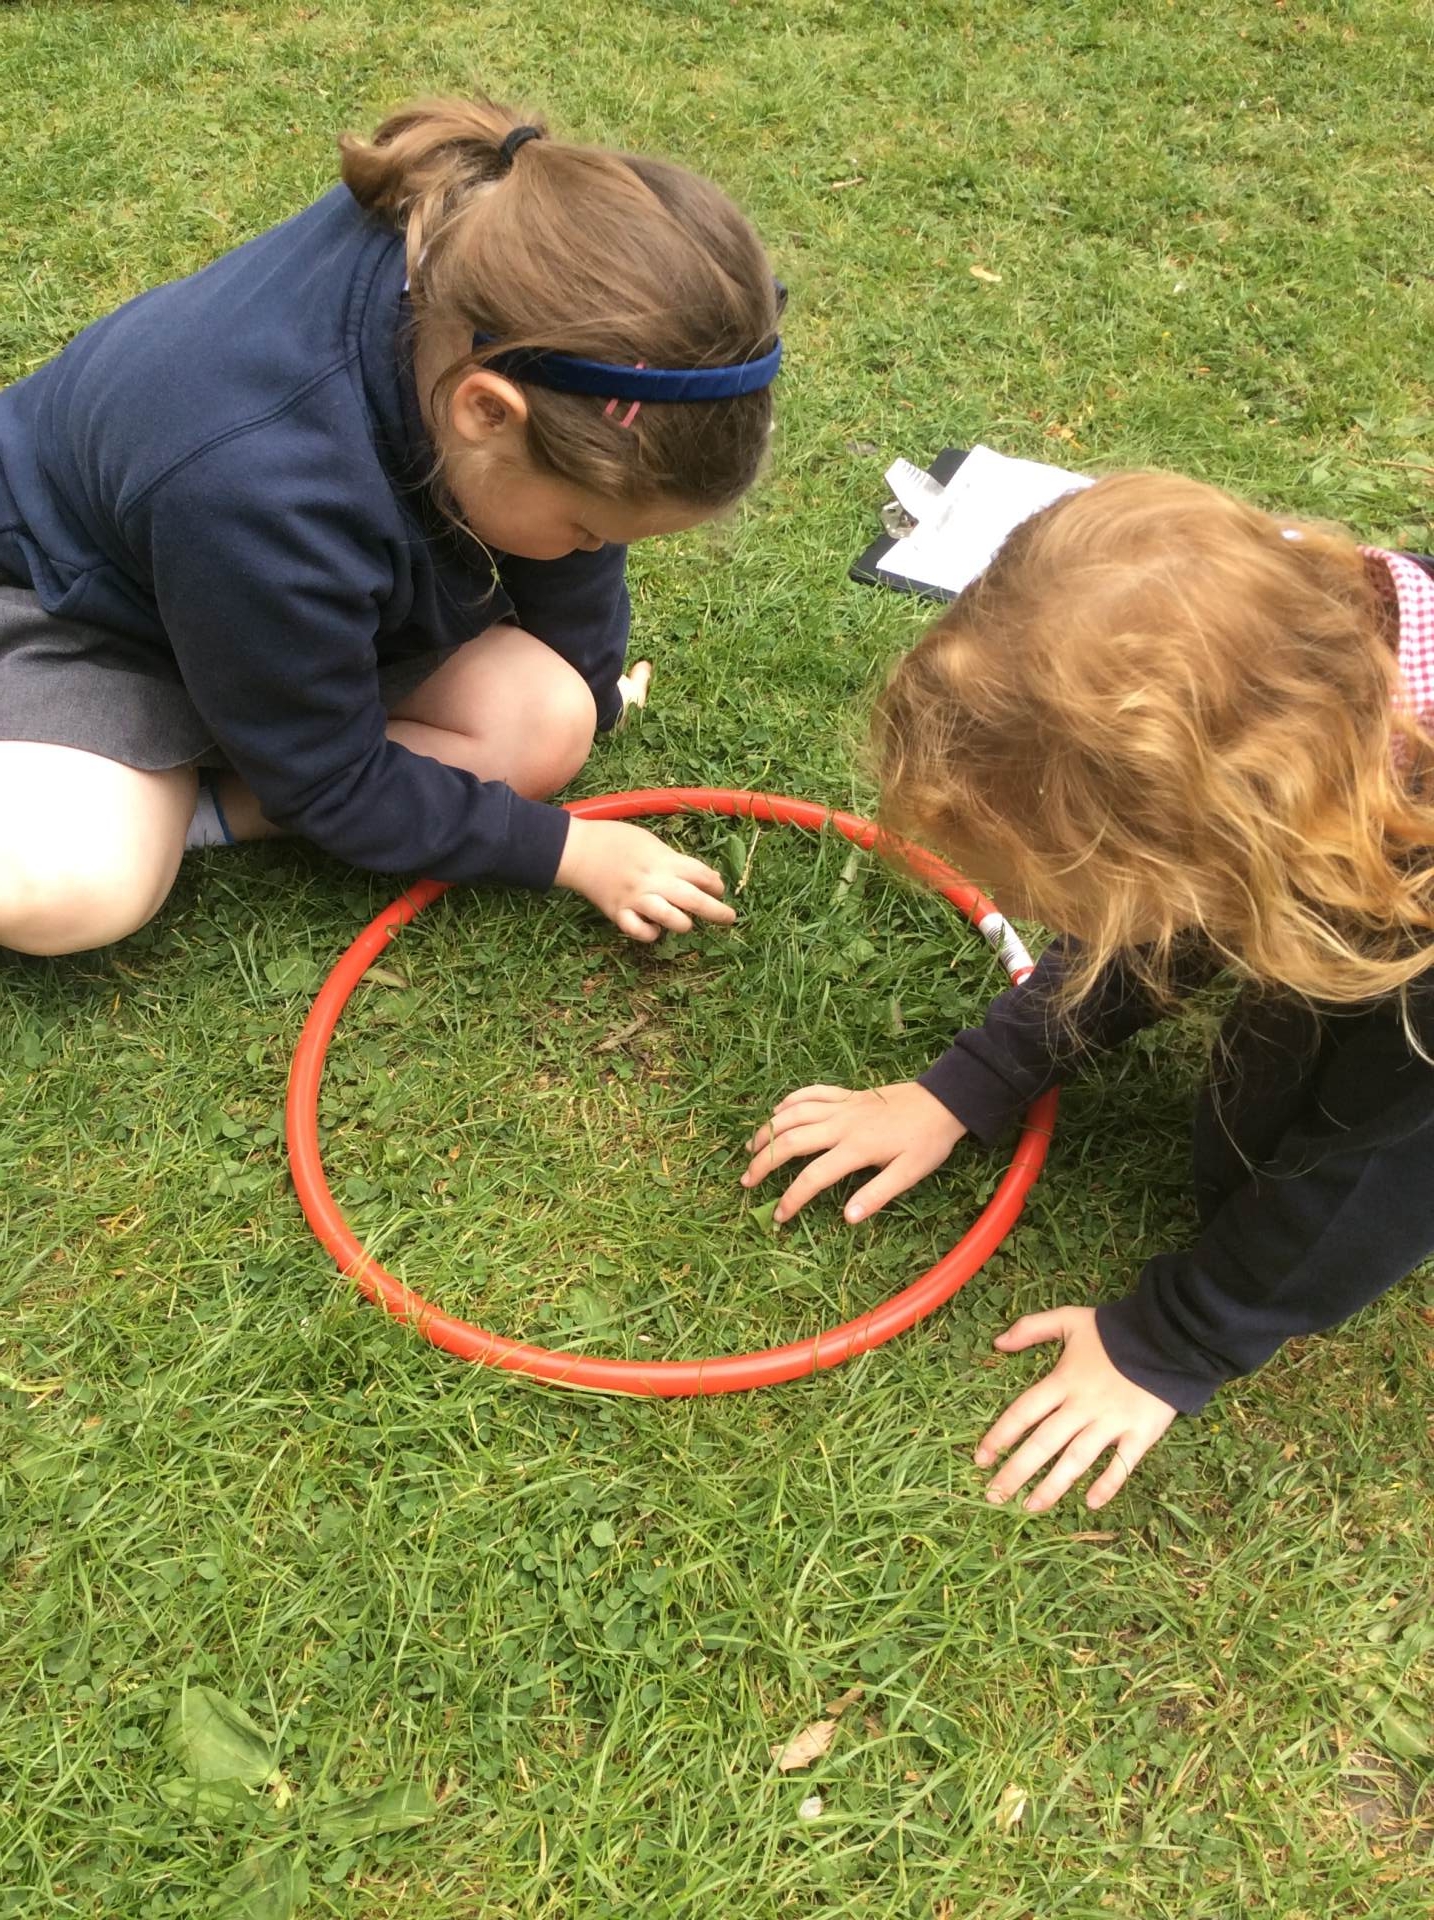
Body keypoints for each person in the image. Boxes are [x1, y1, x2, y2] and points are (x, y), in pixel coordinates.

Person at [744, 471, 1434, 1512]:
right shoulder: (1294, 680)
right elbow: (1161, 916)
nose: (1045, 918)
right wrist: (969, 1084)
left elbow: (1382, 1173)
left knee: (1314, 1115)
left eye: (1077, 903)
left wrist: (1177, 1338)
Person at [0, 95, 784, 954]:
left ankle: (217, 781)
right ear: (487, 411)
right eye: (587, 527)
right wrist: (568, 850)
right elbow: (331, 777)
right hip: (72, 614)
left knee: (550, 717)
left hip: (249, 599)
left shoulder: (487, 293)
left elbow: (568, 570)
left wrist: (594, 692)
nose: (596, 549)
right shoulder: (261, 484)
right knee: (72, 887)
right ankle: (130, 786)